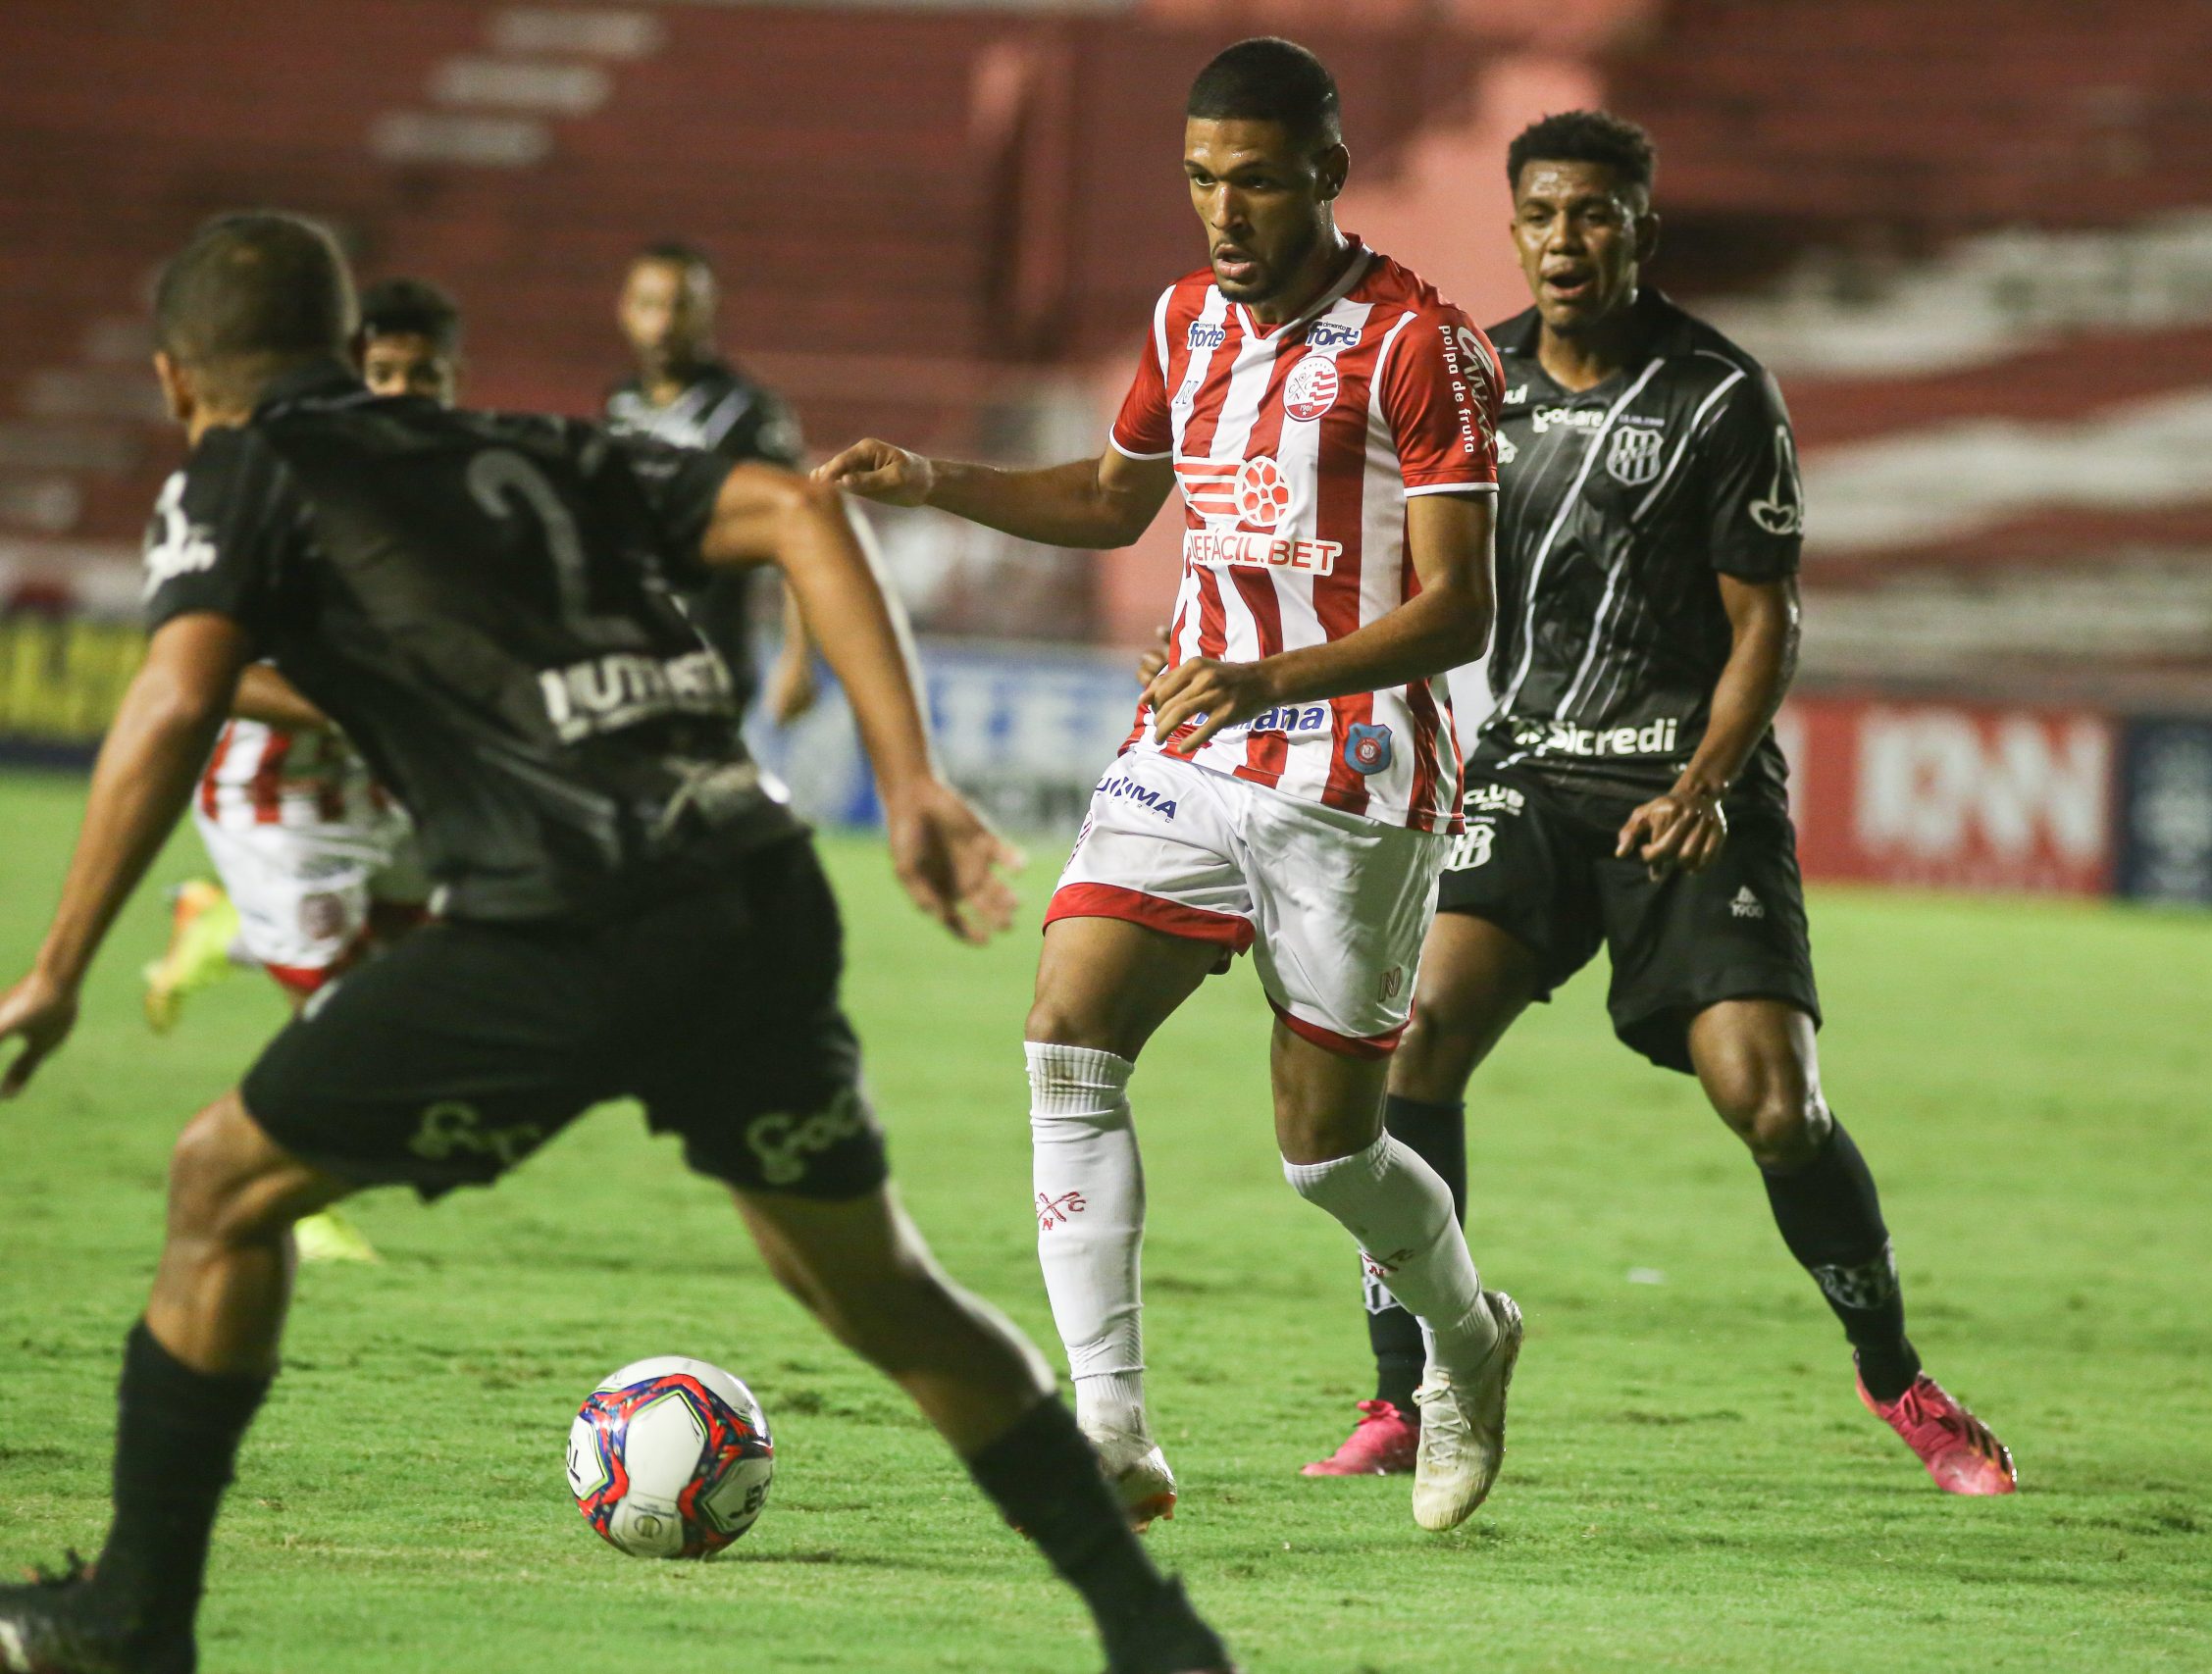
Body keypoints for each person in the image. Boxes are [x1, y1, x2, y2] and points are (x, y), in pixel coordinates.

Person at [0, 212, 1232, 1674]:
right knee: (874, 1283)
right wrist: (906, 776)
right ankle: (1154, 1634)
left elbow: (172, 695)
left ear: (174, 381)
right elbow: (797, 511)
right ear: (343, 349)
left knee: (219, 1182)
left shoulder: (239, 467)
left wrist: (61, 967)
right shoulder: (529, 441)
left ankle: (134, 1612)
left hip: (560, 917)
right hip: (751, 886)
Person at [821, 37, 1522, 1536]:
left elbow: (1463, 607)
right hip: (1190, 745)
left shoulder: (1420, 342)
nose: (1223, 210)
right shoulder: (1186, 320)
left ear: (1328, 174)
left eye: (1257, 180)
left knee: (1327, 1148)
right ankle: (1113, 1423)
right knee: (1065, 1030)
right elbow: (1108, 495)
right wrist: (934, 480)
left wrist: (1274, 676)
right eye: (1203, 177)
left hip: (1351, 770)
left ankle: (1470, 1334)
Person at [1296, 111, 2016, 1496]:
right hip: (1528, 766)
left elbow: (1771, 624)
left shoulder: (1720, 393)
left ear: (1643, 226)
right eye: (1546, 215)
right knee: (1411, 1043)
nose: (1570, 240)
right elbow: (1398, 578)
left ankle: (1900, 1382)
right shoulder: (1470, 381)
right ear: (1515, 230)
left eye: (1598, 214)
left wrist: (1703, 781)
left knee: (1775, 1101)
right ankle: (1410, 1393)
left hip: (1689, 780)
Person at [138, 278, 467, 1268]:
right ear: (347, 375)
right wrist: (348, 705)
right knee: (343, 1013)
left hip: (380, 783)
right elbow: (208, 672)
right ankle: (292, 1188)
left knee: (431, 961)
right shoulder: (275, 488)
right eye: (383, 372)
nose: (403, 390)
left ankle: (219, 924)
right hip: (275, 798)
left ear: (457, 381)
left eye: (425, 374)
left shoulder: (460, 491)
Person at [603, 241, 818, 726]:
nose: (663, 323)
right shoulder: (620, 405)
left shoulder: (745, 414)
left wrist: (799, 657)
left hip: (707, 660)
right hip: (623, 658)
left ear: (708, 312)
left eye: (680, 306)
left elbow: (802, 534)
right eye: (649, 305)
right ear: (624, 310)